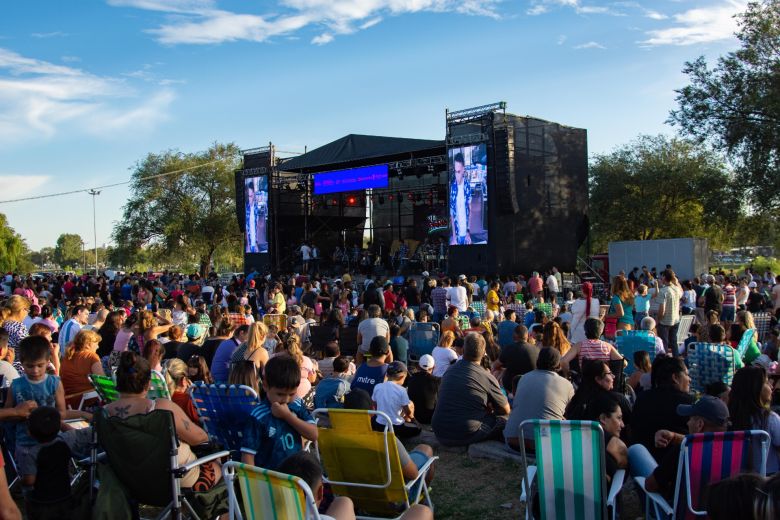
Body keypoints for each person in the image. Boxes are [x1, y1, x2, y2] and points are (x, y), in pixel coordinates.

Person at [105, 351, 222, 492]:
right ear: (148, 384)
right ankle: (221, 510)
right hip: (174, 480)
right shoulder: (162, 407)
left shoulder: (105, 413)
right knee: (222, 465)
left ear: (117, 381)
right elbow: (200, 438)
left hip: (132, 482)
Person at [628, 395, 729, 501]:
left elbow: (650, 485)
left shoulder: (684, 450)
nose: (687, 423)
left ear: (700, 424)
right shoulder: (735, 451)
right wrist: (674, 437)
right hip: (718, 511)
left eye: (690, 418)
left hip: (676, 513)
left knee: (636, 450)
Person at [278, 451, 434, 520]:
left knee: (343, 501)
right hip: (389, 496)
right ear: (321, 493)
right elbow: (413, 473)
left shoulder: (260, 512)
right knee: (422, 512)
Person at [241, 355, 317, 471]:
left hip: (295, 473)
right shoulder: (258, 416)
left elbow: (314, 434)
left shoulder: (296, 404)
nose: (286, 400)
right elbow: (248, 455)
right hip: (270, 476)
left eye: (291, 394)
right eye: (280, 394)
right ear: (265, 386)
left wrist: (288, 416)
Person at [432, 333, 510, 446]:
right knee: (503, 420)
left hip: (439, 431)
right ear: (483, 354)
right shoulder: (486, 376)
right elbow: (505, 409)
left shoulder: (449, 371)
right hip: (464, 433)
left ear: (463, 350)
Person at [504, 347, 574, 452]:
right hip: (545, 446)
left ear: (537, 362)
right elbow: (569, 414)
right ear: (558, 365)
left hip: (513, 440)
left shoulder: (523, 378)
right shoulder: (567, 385)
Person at [630, 356, 694, 461]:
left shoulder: (642, 399)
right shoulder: (689, 403)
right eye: (687, 375)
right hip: (678, 465)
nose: (689, 379)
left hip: (644, 462)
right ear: (675, 378)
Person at [728, 366, 780, 473]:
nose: (771, 386)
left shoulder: (728, 417)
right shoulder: (769, 418)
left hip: (736, 480)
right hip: (768, 480)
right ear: (756, 389)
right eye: (766, 382)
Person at [585, 394, 628, 481]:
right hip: (604, 494)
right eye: (619, 418)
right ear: (603, 418)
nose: (622, 425)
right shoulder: (614, 445)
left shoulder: (573, 440)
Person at [372, 361, 420, 438]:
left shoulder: (377, 386)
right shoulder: (402, 390)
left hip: (379, 425)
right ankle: (398, 436)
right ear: (402, 377)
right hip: (396, 427)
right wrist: (415, 421)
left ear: (387, 374)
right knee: (417, 429)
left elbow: (374, 404)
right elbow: (407, 412)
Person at [60, 329, 105, 409]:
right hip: (86, 401)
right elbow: (102, 381)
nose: (98, 347)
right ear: (88, 344)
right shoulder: (91, 356)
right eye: (96, 344)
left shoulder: (67, 356)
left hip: (68, 402)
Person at [492, 325, 538, 392]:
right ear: (527, 336)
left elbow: (495, 365)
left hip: (511, 387)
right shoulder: (536, 349)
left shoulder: (509, 349)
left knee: (496, 372)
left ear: (514, 336)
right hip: (531, 385)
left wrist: (503, 370)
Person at [657, 269, 683, 356]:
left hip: (665, 321)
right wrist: (676, 282)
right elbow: (681, 292)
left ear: (664, 277)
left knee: (664, 343)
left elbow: (662, 310)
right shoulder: (676, 289)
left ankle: (665, 361)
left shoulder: (663, 291)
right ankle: (676, 359)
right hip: (675, 320)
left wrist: (658, 320)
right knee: (674, 342)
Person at [406, 354, 439, 425]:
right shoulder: (437, 381)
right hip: (430, 419)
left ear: (418, 366)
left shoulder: (411, 379)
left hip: (414, 418)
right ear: (434, 367)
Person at [165, 358, 200, 423]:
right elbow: (196, 423)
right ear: (183, 380)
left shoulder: (162, 397)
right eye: (188, 378)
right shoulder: (186, 400)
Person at [449, 152, 472, 245]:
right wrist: (454, 237)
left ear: (463, 169)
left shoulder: (467, 186)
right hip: (457, 234)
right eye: (455, 171)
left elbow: (471, 211)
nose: (456, 175)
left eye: (458, 171)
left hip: (466, 233)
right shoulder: (452, 187)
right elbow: (452, 214)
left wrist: (468, 232)